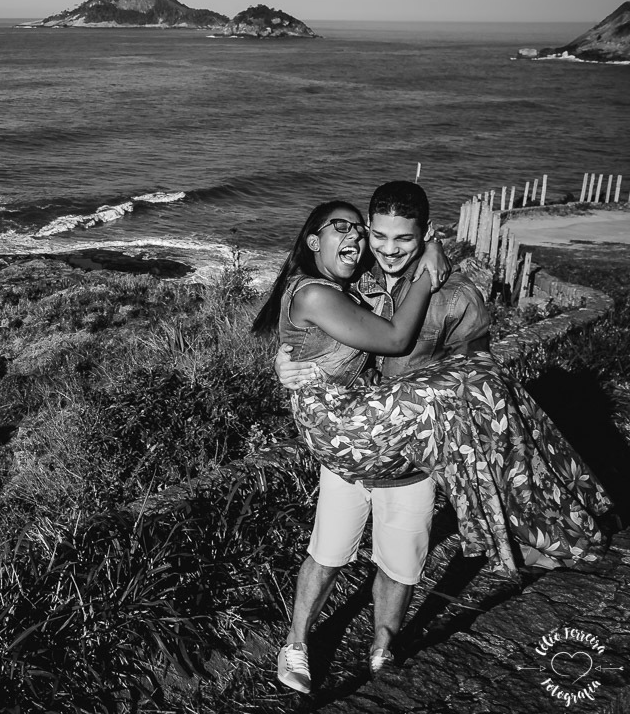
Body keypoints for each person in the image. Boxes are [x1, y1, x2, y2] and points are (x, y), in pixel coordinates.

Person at [251, 190, 612, 695]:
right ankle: (296, 643)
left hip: (412, 456)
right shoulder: (358, 282)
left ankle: (382, 650)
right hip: (355, 444)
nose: (383, 247)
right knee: (328, 553)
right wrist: (284, 362)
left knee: (400, 563)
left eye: (401, 238)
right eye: (374, 234)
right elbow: (315, 327)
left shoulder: (458, 295)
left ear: (424, 236)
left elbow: (477, 365)